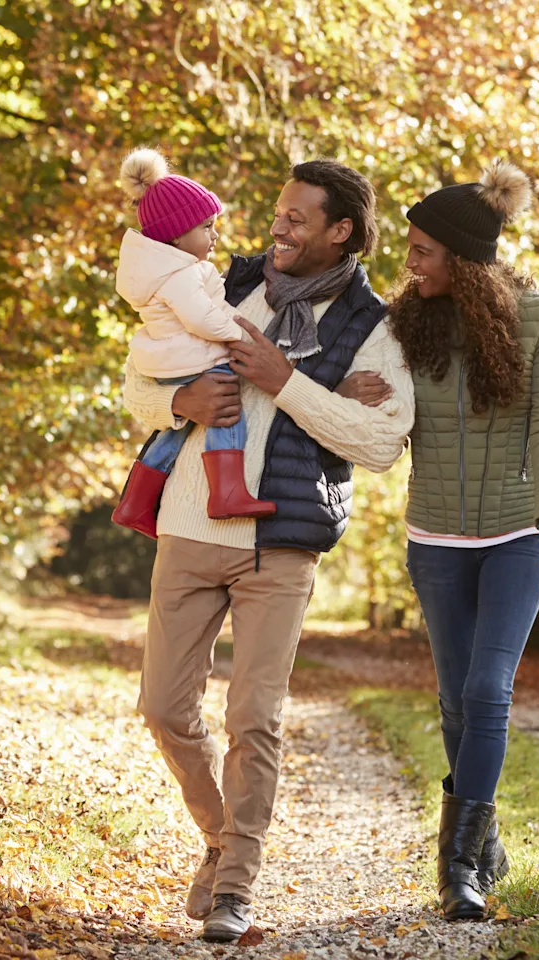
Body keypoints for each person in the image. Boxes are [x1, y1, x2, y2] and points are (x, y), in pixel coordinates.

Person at [120, 159, 415, 942]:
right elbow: (137, 378)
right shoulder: (222, 281)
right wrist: (178, 400)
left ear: (340, 231)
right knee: (163, 709)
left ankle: (234, 890)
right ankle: (222, 839)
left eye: (296, 218)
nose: (276, 227)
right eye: (278, 213)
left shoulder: (374, 327)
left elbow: (382, 441)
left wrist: (289, 381)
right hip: (188, 526)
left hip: (282, 545)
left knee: (254, 717)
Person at [387, 158, 539, 921]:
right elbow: (383, 414)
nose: (410, 263)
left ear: (461, 260)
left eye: (422, 251)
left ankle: (456, 866)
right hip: (433, 534)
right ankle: (485, 835)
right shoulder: (404, 321)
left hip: (516, 535)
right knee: (454, 700)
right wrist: (365, 397)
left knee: (487, 689)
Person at [111, 148, 275, 536]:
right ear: (177, 235)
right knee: (226, 407)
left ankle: (135, 502)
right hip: (190, 359)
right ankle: (227, 491)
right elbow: (200, 317)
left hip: (169, 362)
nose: (214, 235)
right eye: (206, 227)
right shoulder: (179, 274)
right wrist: (238, 333)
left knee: (174, 430)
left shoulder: (165, 268)